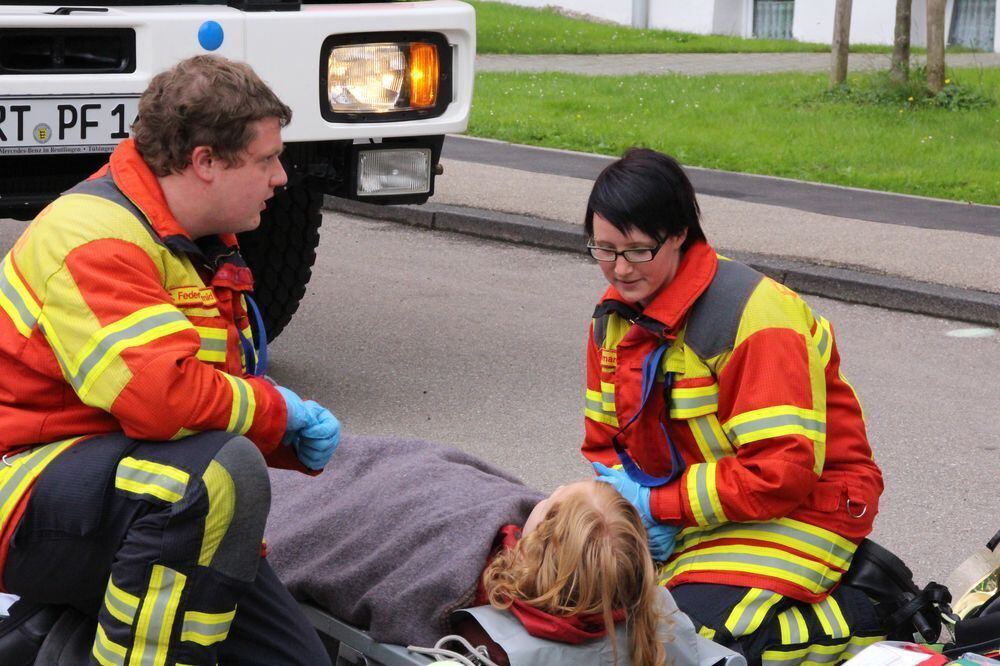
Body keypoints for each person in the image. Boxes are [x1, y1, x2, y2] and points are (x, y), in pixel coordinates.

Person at [0, 55, 339, 665]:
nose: (282, 177)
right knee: (213, 478)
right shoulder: (94, 237)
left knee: (298, 661)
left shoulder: (194, 245)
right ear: (205, 161)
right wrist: (276, 410)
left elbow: (203, 401)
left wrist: (283, 438)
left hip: (126, 490)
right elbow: (163, 401)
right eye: (266, 160)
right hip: (27, 491)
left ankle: (53, 638)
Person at [580, 148, 886, 664]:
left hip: (810, 506)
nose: (618, 269)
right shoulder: (613, 320)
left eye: (635, 251)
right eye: (603, 249)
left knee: (692, 641)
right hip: (698, 514)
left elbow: (783, 475)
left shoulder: (756, 316)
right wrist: (625, 516)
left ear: (679, 234)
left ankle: (874, 612)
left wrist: (661, 506)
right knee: (589, 616)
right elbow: (605, 446)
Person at [265, 435, 741, 666]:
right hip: (424, 486)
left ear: (539, 542)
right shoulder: (630, 600)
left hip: (386, 505)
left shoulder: (472, 610)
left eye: (551, 499)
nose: (542, 493)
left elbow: (389, 567)